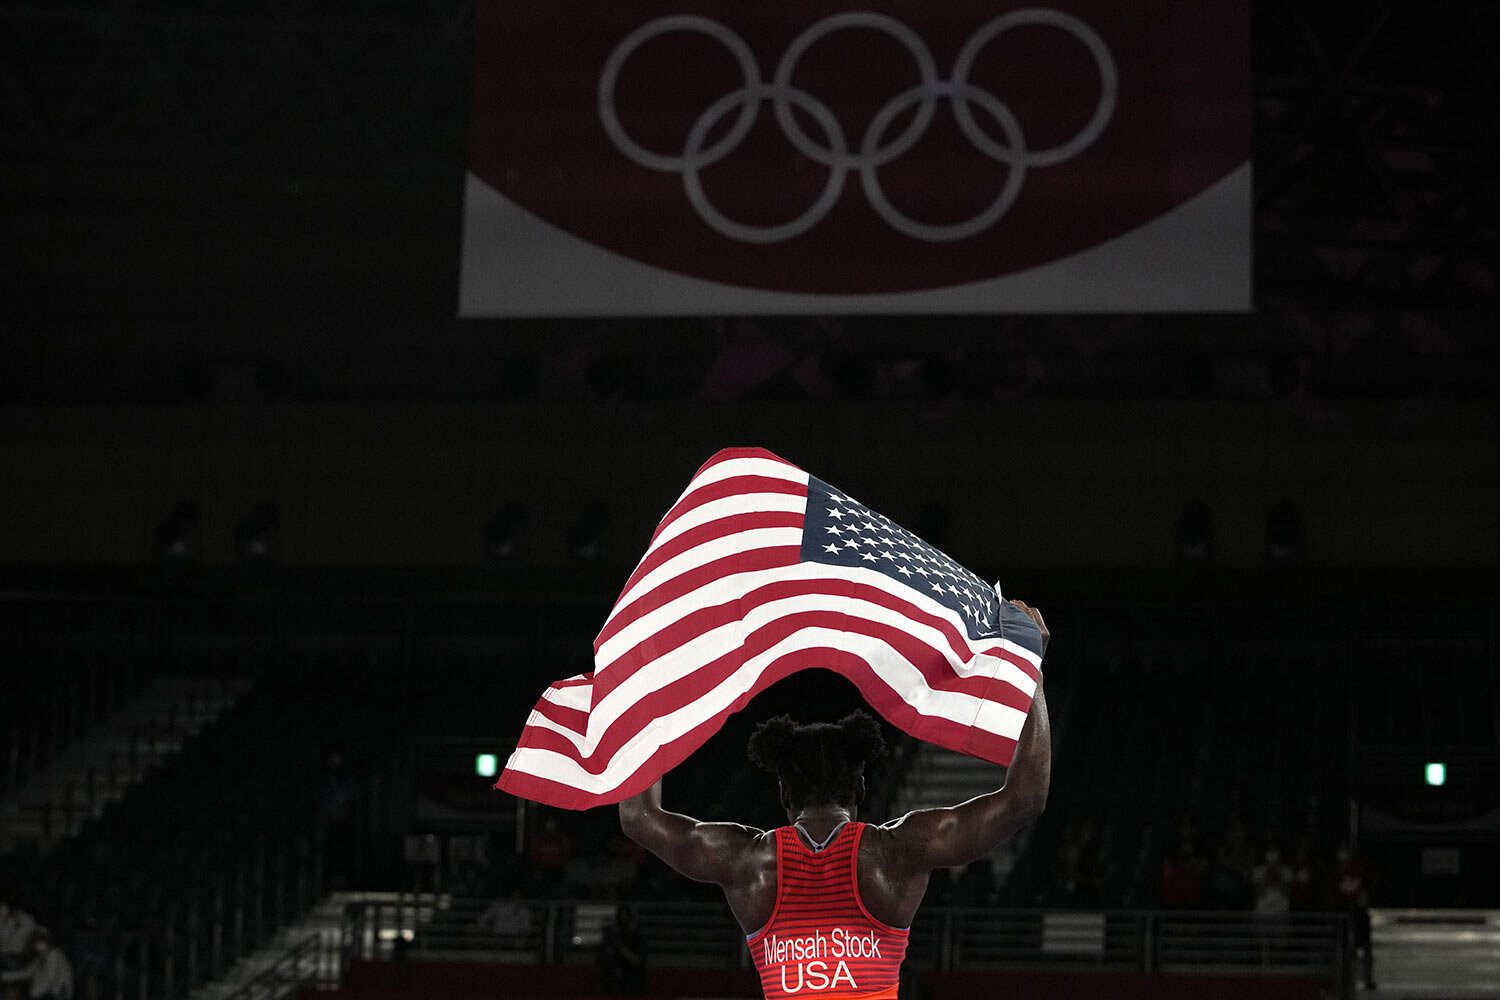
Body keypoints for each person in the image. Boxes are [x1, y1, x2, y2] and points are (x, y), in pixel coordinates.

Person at [620, 600, 1051, 1000]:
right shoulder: (896, 853)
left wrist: (650, 693)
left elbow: (638, 816)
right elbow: (1024, 798)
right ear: (860, 789)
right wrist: (1029, 670)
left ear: (785, 793)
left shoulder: (745, 862)